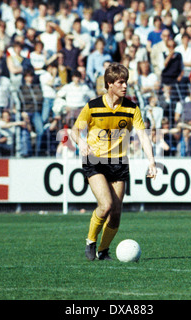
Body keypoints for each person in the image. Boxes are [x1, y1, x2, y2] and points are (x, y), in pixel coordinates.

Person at [70, 63, 157, 261]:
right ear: (109, 84)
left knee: (116, 212)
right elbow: (74, 131)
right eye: (120, 82)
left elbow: (143, 136)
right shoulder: (93, 106)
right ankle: (90, 241)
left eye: (125, 82)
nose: (125, 86)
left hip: (118, 161)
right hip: (95, 160)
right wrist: (81, 143)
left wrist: (151, 162)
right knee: (106, 204)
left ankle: (103, 250)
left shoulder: (131, 108)